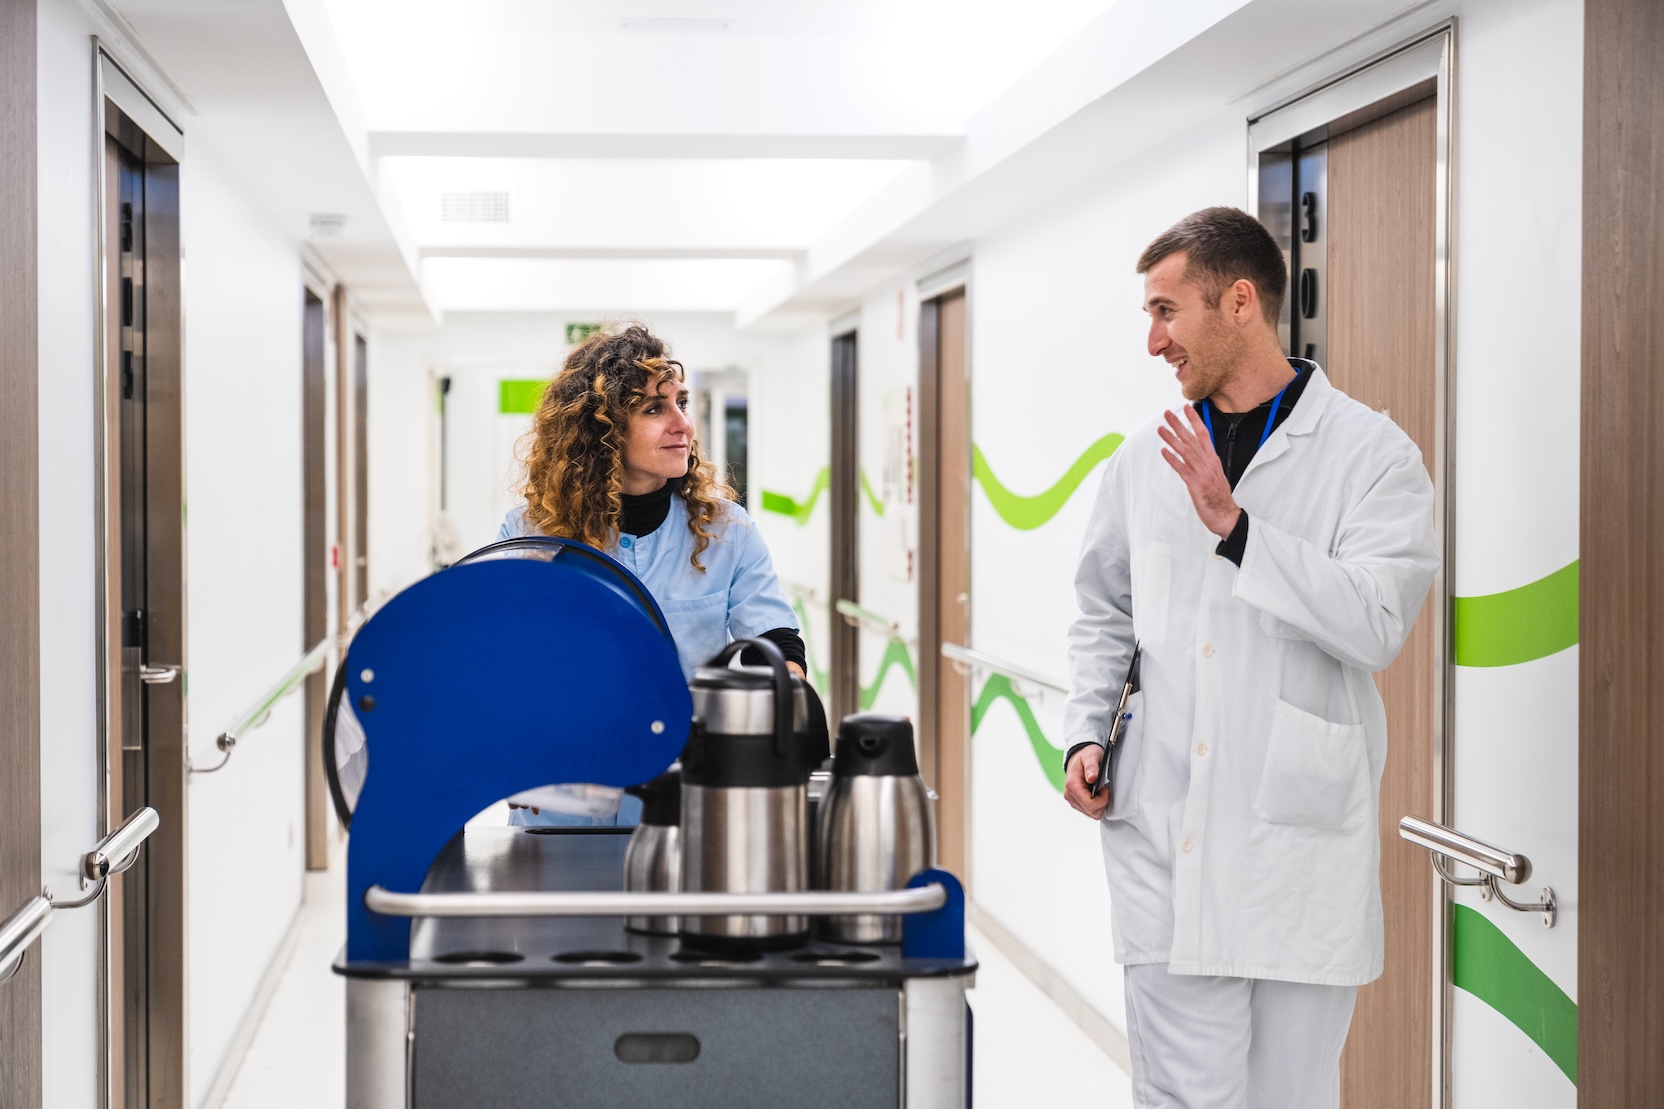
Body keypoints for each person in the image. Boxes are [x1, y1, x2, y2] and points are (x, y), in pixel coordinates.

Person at [1061, 207, 1438, 1108]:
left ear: (1238, 302)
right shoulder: (1142, 461)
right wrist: (1086, 732)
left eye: (1167, 311)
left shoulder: (1372, 456)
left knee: (1289, 1095)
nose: (1153, 341)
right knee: (1180, 1095)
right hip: (1163, 835)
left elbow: (1377, 621)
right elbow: (1104, 609)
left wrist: (1238, 531)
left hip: (1292, 849)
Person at [498, 324, 806, 826]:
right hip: (562, 808)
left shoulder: (727, 531)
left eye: (681, 402)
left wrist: (777, 702)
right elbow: (504, 658)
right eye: (654, 409)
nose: (683, 424)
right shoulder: (532, 536)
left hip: (684, 806)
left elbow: (776, 645)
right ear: (602, 430)